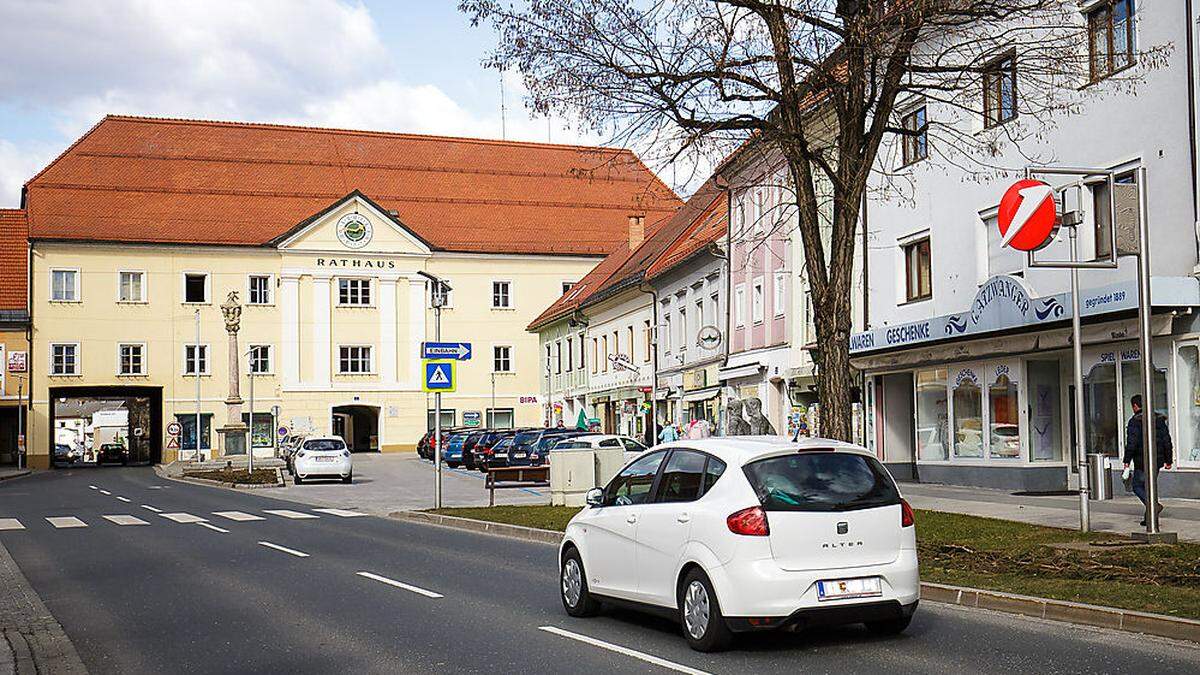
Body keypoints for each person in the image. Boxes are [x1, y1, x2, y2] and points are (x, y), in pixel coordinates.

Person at [1123, 394, 1174, 526]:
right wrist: (1169, 460)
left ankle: (1153, 506)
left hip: (1142, 461)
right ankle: (1149, 518)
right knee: (1151, 487)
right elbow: (1166, 440)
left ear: (1135, 406)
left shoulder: (1135, 421)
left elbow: (1132, 443)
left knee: (1137, 486)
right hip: (1157, 461)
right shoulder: (1159, 419)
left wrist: (1127, 460)